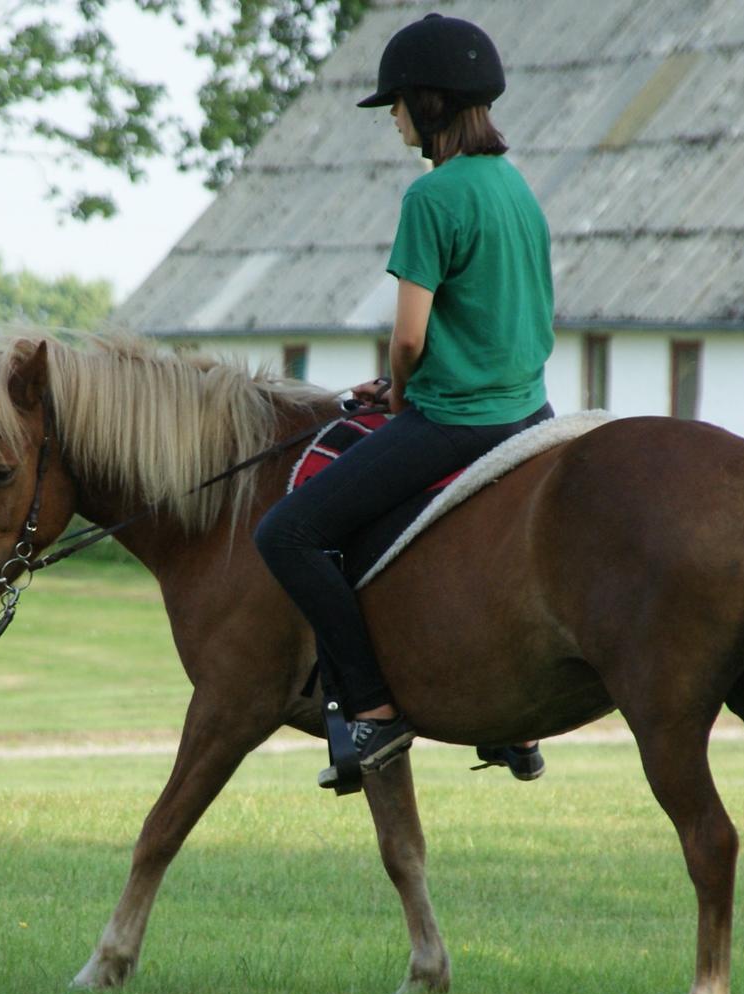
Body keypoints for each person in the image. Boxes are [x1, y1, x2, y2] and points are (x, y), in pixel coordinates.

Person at [254, 13, 553, 785]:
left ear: (427, 102)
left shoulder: (434, 196)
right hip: (531, 417)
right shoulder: (516, 187)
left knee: (288, 531)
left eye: (394, 103)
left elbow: (411, 339)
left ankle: (374, 710)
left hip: (457, 421)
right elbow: (496, 319)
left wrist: (401, 393)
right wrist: (406, 381)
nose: (391, 118)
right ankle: (515, 721)